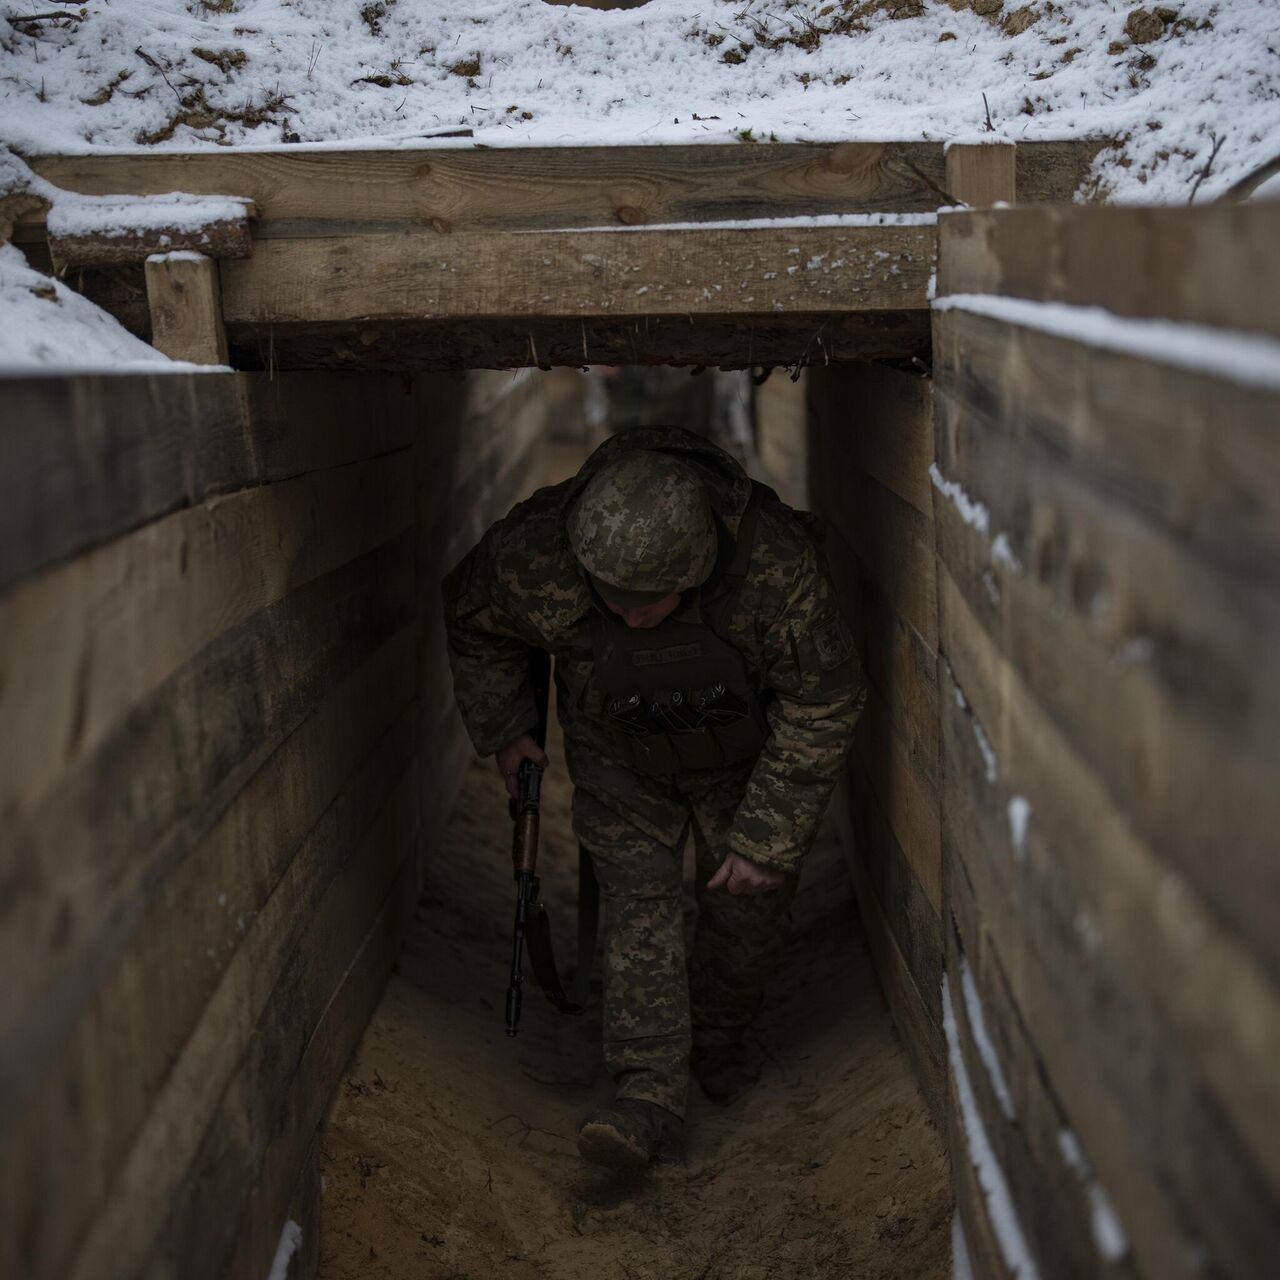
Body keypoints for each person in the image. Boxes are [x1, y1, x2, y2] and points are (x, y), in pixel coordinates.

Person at [442, 425, 864, 1170]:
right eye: (614, 602)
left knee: (746, 901)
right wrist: (507, 728)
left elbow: (825, 697)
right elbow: (474, 616)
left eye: (649, 604)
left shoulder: (774, 568)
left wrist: (770, 833)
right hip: (616, 755)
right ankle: (647, 1094)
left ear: (696, 573)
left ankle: (721, 1033)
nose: (630, 617)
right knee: (639, 898)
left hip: (745, 762)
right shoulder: (537, 554)